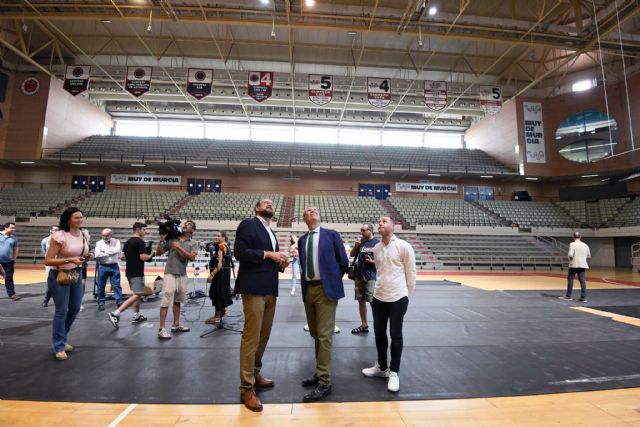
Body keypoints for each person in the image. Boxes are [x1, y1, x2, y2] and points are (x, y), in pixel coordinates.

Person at [234, 198, 289, 412]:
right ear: (256, 208)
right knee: (251, 337)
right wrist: (268, 254)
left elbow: (269, 261)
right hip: (254, 289)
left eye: (271, 203)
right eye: (265, 203)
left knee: (263, 336)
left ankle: (255, 372)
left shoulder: (270, 232)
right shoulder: (249, 224)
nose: (269, 205)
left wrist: (280, 263)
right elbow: (240, 252)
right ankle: (246, 388)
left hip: (270, 289)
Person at [298, 205, 349, 403]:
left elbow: (343, 261)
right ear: (305, 219)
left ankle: (325, 382)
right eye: (309, 210)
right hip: (309, 289)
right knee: (315, 333)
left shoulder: (332, 235)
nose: (313, 211)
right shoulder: (302, 240)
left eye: (316, 209)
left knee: (325, 335)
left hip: (326, 290)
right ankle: (320, 373)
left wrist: (332, 279)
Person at [362, 216, 415, 393]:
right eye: (379, 222)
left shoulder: (404, 246)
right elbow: (380, 271)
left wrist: (408, 296)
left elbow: (411, 273)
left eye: (384, 221)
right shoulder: (376, 248)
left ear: (393, 226)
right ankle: (382, 367)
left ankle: (394, 372)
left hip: (398, 297)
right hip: (379, 297)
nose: (380, 224)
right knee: (379, 333)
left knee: (396, 335)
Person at [44, 207, 92, 361]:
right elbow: (48, 260)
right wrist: (70, 260)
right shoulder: (59, 235)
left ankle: (62, 338)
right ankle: (59, 345)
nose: (80, 220)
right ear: (68, 219)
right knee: (61, 310)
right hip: (59, 274)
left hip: (75, 273)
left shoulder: (84, 234)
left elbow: (81, 254)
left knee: (75, 309)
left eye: (81, 217)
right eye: (76, 218)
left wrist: (87, 256)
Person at [154, 219, 198, 339]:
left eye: (188, 225)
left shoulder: (193, 242)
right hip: (170, 273)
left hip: (182, 274)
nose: (185, 225)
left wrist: (178, 247)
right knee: (166, 298)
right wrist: (161, 241)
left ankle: (176, 324)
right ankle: (161, 328)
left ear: (192, 230)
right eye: (185, 224)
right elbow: (158, 253)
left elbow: (192, 257)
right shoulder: (172, 239)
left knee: (178, 300)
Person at [108, 222, 155, 329]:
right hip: (137, 272)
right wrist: (151, 254)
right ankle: (115, 313)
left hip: (129, 271)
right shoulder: (140, 242)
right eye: (143, 230)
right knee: (137, 295)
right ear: (138, 230)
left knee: (136, 294)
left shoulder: (128, 241)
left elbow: (122, 257)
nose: (145, 232)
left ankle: (136, 315)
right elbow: (143, 257)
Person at [349, 223, 379, 334]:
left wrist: (373, 262)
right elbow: (352, 255)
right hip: (359, 275)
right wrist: (356, 246)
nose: (361, 232)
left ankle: (378, 326)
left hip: (371, 276)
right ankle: (364, 325)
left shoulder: (377, 243)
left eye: (363, 230)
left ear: (370, 230)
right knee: (360, 301)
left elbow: (383, 260)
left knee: (373, 302)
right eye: (361, 230)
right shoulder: (361, 242)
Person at [205, 230, 233, 324]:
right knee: (222, 292)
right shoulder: (227, 246)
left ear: (223, 237)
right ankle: (222, 311)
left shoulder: (221, 247)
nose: (216, 237)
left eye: (218, 236)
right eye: (216, 236)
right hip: (225, 274)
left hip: (220, 274)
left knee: (216, 294)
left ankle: (217, 316)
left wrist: (212, 275)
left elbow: (220, 264)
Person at [94, 228, 123, 311]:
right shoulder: (98, 243)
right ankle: (101, 302)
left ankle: (119, 301)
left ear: (111, 235)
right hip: (103, 266)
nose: (104, 237)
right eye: (103, 235)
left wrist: (104, 252)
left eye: (106, 235)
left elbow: (117, 250)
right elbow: (97, 255)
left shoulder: (116, 241)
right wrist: (111, 252)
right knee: (100, 286)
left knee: (116, 285)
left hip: (114, 266)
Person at [559, 231, 591, 303]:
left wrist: (570, 260)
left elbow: (570, 254)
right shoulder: (585, 245)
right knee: (582, 280)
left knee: (570, 279)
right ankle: (584, 297)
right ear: (580, 237)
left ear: (573, 237)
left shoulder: (572, 244)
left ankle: (568, 296)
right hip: (583, 265)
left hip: (574, 264)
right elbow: (589, 256)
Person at [0, 222, 20, 301]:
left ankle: (12, 294)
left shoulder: (14, 238)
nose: (13, 229)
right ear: (5, 227)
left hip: (9, 262)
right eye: (12, 228)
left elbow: (16, 249)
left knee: (9, 278)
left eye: (14, 228)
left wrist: (13, 259)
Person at [41, 225, 60, 307]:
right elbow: (44, 251)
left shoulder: (61, 240)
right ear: (51, 231)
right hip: (50, 264)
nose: (56, 231)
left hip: (60, 263)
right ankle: (46, 300)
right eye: (55, 230)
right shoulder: (45, 240)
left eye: (58, 230)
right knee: (51, 282)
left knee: (61, 282)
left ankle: (59, 301)